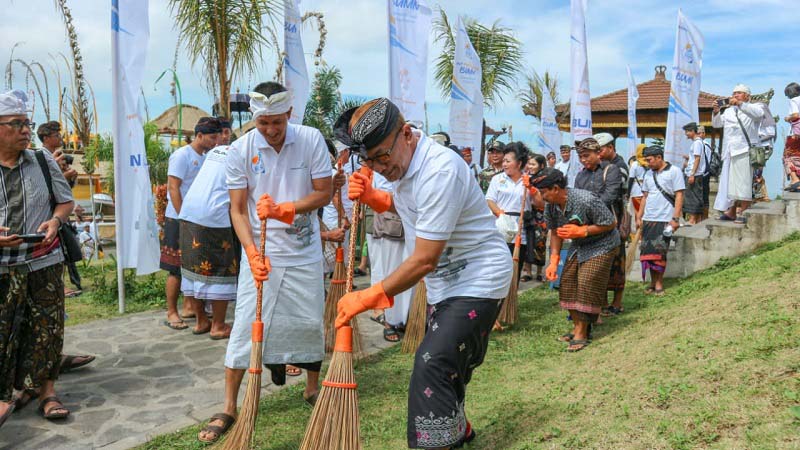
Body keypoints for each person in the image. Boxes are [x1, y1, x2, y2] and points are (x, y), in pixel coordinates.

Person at [335, 98, 512, 449]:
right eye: (368, 161)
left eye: (382, 156)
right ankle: (459, 428)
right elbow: (406, 207)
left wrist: (369, 294)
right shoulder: (398, 165)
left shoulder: (439, 169)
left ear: (406, 133)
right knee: (450, 363)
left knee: (432, 362)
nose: (379, 167)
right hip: (443, 285)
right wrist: (372, 196)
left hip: (479, 275)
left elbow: (425, 258)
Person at [197, 82, 332, 443]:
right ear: (254, 120)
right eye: (263, 123)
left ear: (289, 114)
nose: (271, 130)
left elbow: (324, 192)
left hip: (303, 250)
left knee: (307, 320)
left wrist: (288, 209)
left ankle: (312, 388)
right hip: (261, 253)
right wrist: (252, 254)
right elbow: (238, 209)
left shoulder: (310, 139)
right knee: (245, 326)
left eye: (277, 122)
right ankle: (229, 406)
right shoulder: (240, 150)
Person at [0, 90, 75, 425]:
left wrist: (56, 221)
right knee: (5, 331)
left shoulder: (42, 160)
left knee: (47, 326)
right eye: (16, 124)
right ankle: (9, 393)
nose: (25, 130)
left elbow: (65, 201)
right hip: (3, 265)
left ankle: (47, 391)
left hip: (44, 259)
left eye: (27, 123)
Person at [535, 168, 619, 353]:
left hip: (603, 244)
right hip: (580, 245)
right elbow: (556, 231)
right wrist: (554, 260)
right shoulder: (551, 205)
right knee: (567, 282)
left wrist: (584, 231)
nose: (542, 196)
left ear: (555, 188)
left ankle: (583, 331)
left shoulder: (586, 199)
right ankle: (577, 326)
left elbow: (610, 222)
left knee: (587, 281)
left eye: (543, 192)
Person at [161, 117, 220, 330]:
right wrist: (183, 216)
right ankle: (171, 312)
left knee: (195, 268)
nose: (215, 141)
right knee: (175, 268)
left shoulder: (205, 158)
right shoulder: (181, 155)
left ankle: (193, 310)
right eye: (212, 137)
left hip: (197, 221)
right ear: (200, 135)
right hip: (178, 220)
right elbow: (173, 188)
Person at [177, 132, 238, 339]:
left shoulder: (216, 152)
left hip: (188, 212)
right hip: (213, 215)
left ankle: (202, 321)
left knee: (193, 268)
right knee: (221, 270)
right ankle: (218, 326)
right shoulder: (242, 155)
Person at [712, 84, 765, 224]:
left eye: (739, 93)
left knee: (743, 182)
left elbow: (759, 115)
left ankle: (744, 211)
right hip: (730, 150)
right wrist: (716, 111)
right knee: (731, 184)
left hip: (745, 149)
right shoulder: (728, 111)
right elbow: (717, 124)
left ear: (747, 95)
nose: (735, 95)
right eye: (734, 93)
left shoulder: (755, 107)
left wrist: (741, 104)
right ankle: (731, 211)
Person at [635, 146, 685, 296]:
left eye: (650, 160)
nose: (648, 163)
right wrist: (639, 216)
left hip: (664, 219)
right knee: (648, 253)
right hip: (648, 218)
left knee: (659, 253)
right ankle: (652, 281)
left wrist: (675, 219)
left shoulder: (674, 171)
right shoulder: (648, 174)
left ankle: (659, 283)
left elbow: (679, 196)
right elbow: (645, 196)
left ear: (659, 157)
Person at [595, 132, 629, 316]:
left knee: (617, 262)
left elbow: (612, 193)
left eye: (600, 150)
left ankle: (617, 303)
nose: (598, 153)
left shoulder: (620, 167)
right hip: (601, 220)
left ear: (610, 148)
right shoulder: (599, 167)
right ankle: (603, 302)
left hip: (615, 219)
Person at [522, 153, 548, 282]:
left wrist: (531, 189)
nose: (530, 166)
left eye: (533, 164)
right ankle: (527, 271)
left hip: (540, 215)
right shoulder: (525, 177)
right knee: (527, 241)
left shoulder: (545, 179)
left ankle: (539, 272)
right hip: (527, 214)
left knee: (539, 242)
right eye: (529, 164)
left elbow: (542, 201)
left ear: (541, 165)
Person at [681, 122, 706, 225]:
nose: (686, 134)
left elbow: (697, 159)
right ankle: (693, 219)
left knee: (693, 196)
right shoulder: (697, 143)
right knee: (691, 195)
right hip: (694, 173)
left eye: (687, 131)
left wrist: (692, 174)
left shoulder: (697, 143)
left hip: (695, 174)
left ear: (692, 131)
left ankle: (692, 219)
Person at [782, 82, 800, 192]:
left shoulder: (793, 100)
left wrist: (787, 118)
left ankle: (794, 179)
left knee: (787, 155)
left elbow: (795, 115)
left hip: (796, 133)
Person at [697, 126, 713, 219]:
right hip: (701, 173)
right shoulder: (700, 144)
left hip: (703, 174)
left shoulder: (705, 145)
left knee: (703, 197)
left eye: (700, 133)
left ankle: (703, 218)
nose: (698, 135)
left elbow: (703, 161)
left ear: (703, 134)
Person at [628, 143, 647, 215]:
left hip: (636, 191)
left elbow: (631, 179)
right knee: (646, 213)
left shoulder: (635, 164)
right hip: (648, 191)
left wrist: (628, 193)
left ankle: (639, 226)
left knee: (638, 213)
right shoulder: (650, 163)